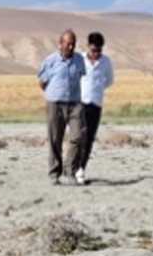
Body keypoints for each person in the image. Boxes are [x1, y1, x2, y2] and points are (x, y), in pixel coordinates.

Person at [37, 30, 86, 186]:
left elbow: (81, 77)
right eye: (68, 43)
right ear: (60, 44)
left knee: (77, 137)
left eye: (73, 43)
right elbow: (42, 82)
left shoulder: (79, 60)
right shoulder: (51, 61)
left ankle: (70, 170)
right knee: (55, 138)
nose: (71, 47)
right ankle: (54, 173)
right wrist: (53, 94)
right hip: (55, 104)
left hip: (75, 104)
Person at [75, 32, 115, 185]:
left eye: (99, 51)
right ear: (88, 47)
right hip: (80, 102)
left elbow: (109, 80)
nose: (96, 54)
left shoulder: (106, 62)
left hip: (96, 104)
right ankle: (72, 166)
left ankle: (81, 169)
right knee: (77, 136)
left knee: (89, 139)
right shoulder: (80, 59)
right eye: (93, 50)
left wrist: (97, 89)